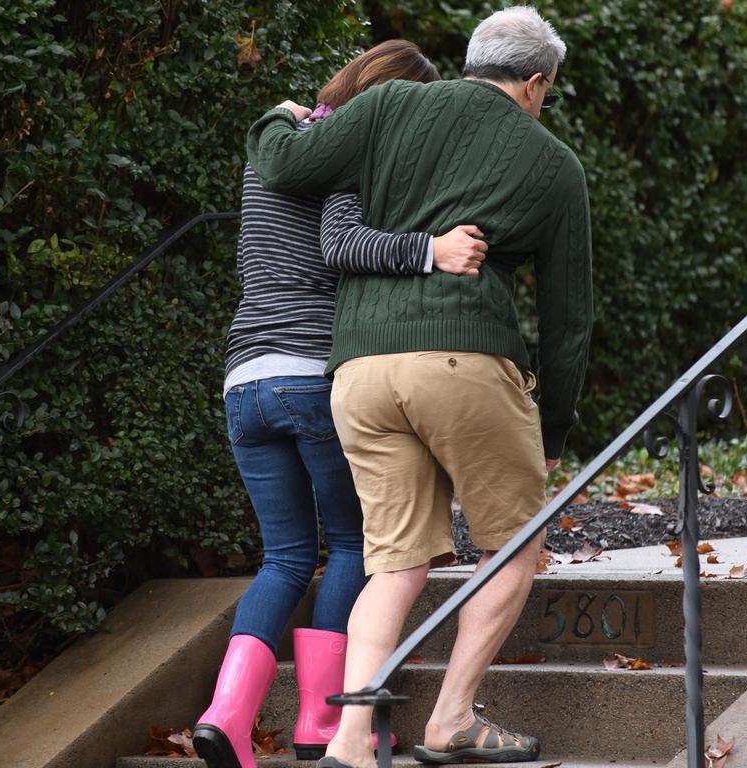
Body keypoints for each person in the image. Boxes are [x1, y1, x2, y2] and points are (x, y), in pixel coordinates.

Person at [245, 6, 593, 768]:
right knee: (517, 543)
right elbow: (569, 320)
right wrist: (555, 427)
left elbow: (285, 164)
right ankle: (452, 717)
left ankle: (349, 740)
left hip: (360, 372)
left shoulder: (387, 104)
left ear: (472, 59)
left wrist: (272, 118)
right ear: (535, 83)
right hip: (464, 360)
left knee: (396, 561)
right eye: (548, 89)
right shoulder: (553, 163)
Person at [192, 40, 490, 768]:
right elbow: (342, 243)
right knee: (356, 548)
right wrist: (433, 250)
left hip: (244, 381)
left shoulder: (277, 144)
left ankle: (227, 716)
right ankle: (325, 724)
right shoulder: (350, 156)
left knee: (285, 559)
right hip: (312, 377)